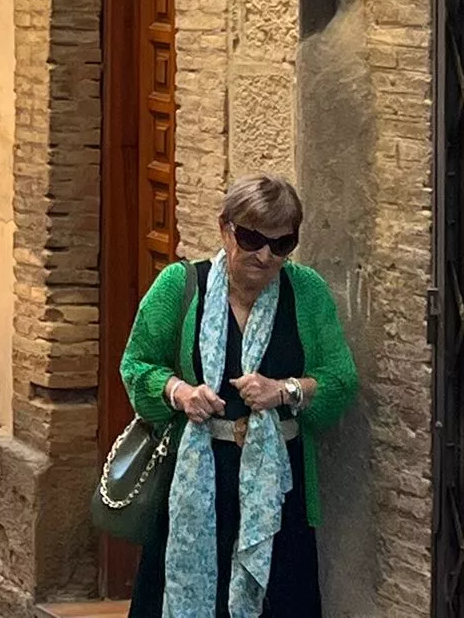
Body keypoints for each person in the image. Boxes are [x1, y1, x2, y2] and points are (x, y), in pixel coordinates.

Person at [119, 175, 359, 618]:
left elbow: (340, 380)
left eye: (282, 244)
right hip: (197, 480)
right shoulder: (180, 285)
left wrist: (285, 390)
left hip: (277, 488)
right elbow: (137, 366)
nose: (265, 256)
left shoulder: (305, 292)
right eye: (252, 239)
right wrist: (180, 392)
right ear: (225, 229)